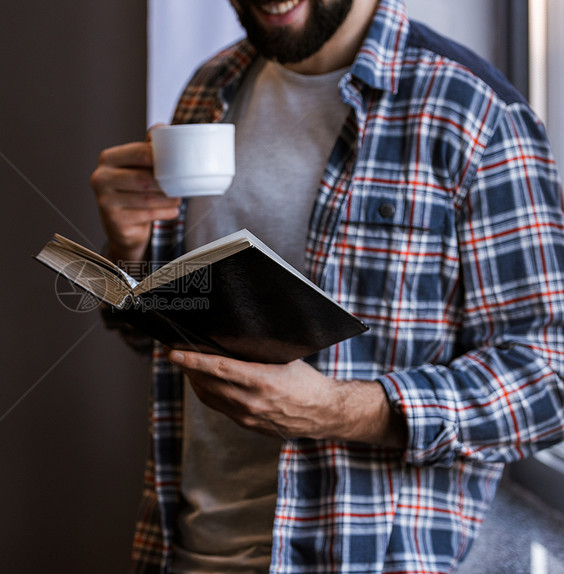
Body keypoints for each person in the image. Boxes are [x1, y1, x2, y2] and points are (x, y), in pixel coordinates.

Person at [90, 0, 564, 572]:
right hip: (184, 549)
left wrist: (339, 409)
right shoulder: (210, 88)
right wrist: (131, 253)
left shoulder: (474, 113)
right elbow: (166, 341)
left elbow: (549, 380)